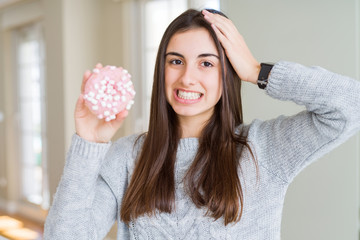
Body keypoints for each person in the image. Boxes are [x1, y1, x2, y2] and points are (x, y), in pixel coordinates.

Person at [44, 9, 360, 239]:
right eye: (176, 61)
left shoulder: (264, 148)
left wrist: (256, 70)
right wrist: (89, 142)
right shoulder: (126, 157)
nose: (187, 77)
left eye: (206, 63)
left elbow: (351, 105)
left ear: (228, 73)